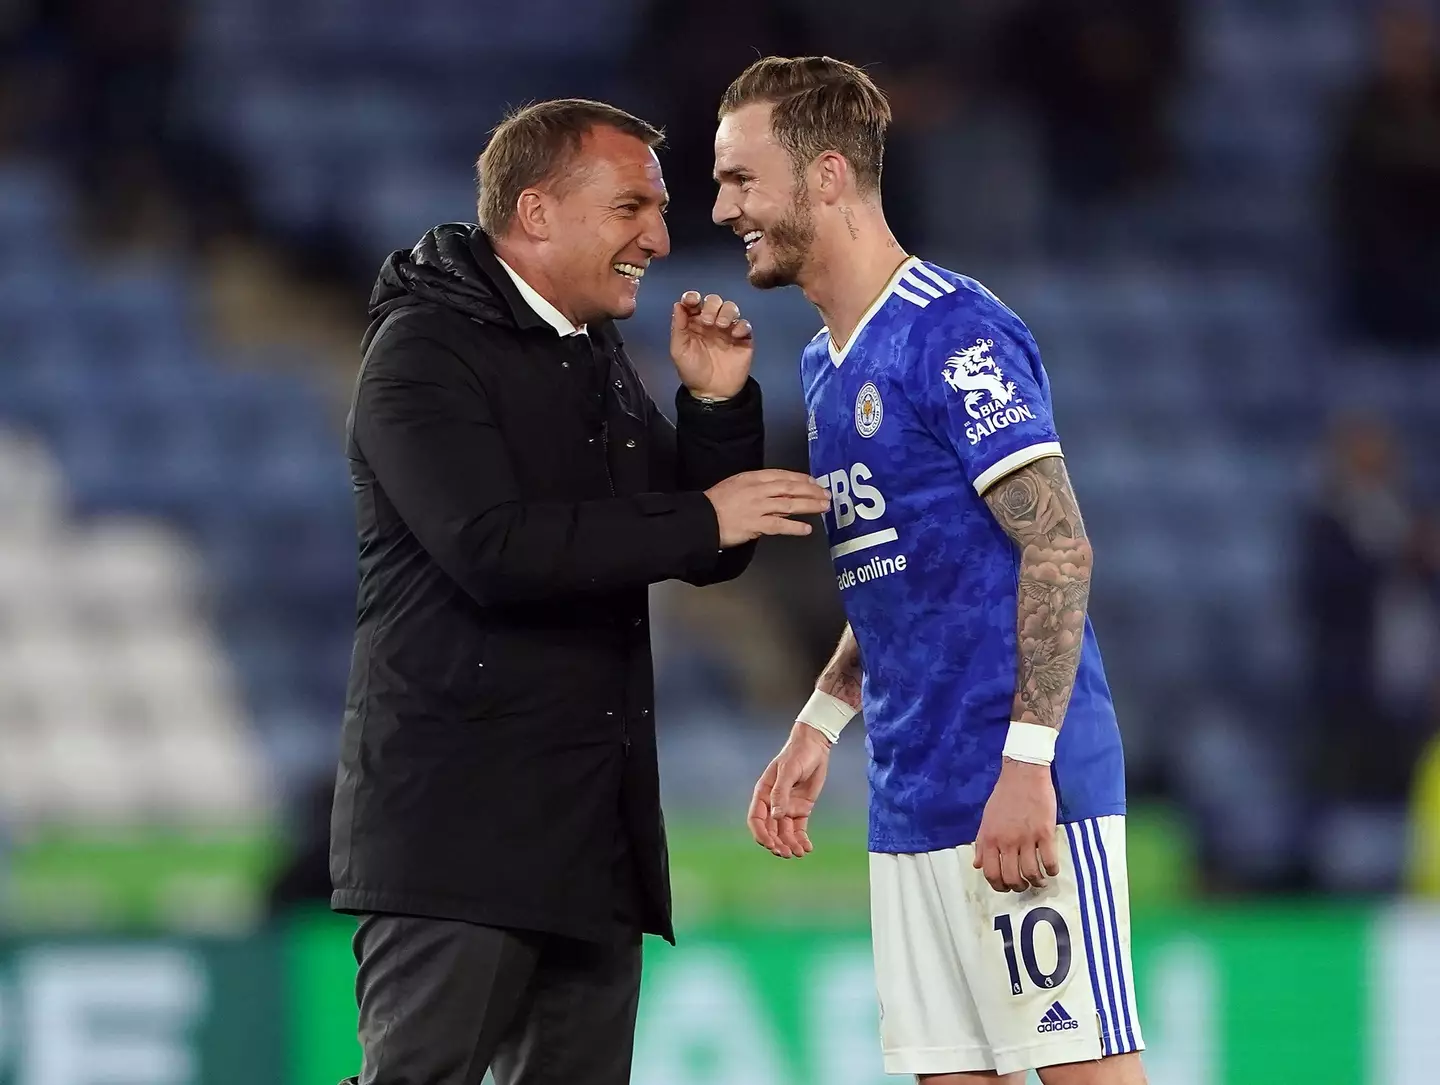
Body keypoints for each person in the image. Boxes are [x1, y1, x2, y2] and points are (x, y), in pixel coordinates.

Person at [330, 98, 831, 1085]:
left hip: (588, 830)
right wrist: (704, 516)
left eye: (659, 208)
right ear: (537, 213)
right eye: (631, 207)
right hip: (460, 832)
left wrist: (717, 405)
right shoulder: (424, 353)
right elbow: (492, 545)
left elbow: (702, 545)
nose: (659, 234)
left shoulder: (585, 350)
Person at [716, 58, 1146, 1082]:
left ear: (825, 177)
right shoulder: (824, 364)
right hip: (911, 799)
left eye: (742, 178)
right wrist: (822, 720)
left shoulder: (952, 330)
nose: (724, 204)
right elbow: (904, 566)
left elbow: (1056, 540)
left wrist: (1029, 766)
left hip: (1020, 786)